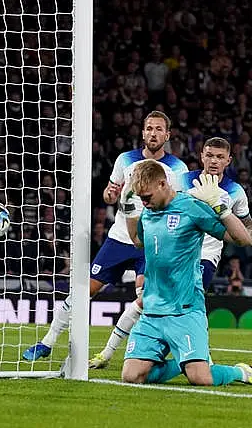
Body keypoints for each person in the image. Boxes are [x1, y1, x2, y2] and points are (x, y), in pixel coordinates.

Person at [89, 137, 252, 368]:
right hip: (173, 248)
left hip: (204, 254)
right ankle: (116, 352)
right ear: (201, 156)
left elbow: (246, 225)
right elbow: (163, 208)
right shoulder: (183, 179)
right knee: (147, 300)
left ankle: (200, 361)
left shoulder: (235, 191)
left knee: (188, 302)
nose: (214, 161)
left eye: (220, 157)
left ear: (228, 161)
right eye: (210, 155)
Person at [22, 111, 188, 361]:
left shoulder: (178, 168)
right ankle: (47, 342)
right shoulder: (125, 160)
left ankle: (118, 352)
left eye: (158, 129)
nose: (153, 133)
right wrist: (110, 194)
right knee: (84, 290)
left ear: (167, 134)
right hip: (120, 239)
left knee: (146, 298)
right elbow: (109, 196)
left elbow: (180, 205)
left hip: (151, 243)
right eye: (149, 128)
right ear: (143, 133)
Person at [121, 159, 252, 387]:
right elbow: (137, 241)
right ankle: (186, 361)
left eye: (146, 197)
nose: (144, 203)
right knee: (131, 376)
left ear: (163, 184)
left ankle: (240, 373)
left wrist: (220, 207)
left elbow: (242, 239)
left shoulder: (192, 208)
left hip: (185, 310)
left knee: (200, 378)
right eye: (140, 198)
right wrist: (128, 208)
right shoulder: (147, 211)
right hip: (152, 311)